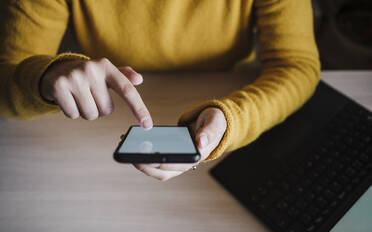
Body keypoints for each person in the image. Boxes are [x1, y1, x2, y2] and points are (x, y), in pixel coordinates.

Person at [0, 0, 320, 181]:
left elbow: (297, 66)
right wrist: (45, 76)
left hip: (230, 92)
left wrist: (232, 118)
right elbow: (6, 80)